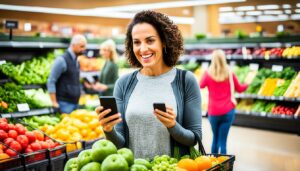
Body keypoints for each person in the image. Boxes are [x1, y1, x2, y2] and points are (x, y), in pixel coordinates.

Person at [95, 10, 202, 159]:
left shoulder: (185, 81)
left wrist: (173, 125)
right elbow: (120, 144)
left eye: (150, 40)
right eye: (137, 42)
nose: (143, 49)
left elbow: (194, 138)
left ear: (164, 41)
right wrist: (108, 130)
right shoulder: (124, 84)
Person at [199, 49, 248, 154]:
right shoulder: (230, 73)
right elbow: (240, 88)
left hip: (213, 112)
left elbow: (200, 85)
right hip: (228, 111)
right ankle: (225, 166)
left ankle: (214, 165)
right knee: (223, 142)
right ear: (224, 59)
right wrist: (247, 84)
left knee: (215, 139)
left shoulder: (208, 74)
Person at [47, 34, 87, 114]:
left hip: (75, 103)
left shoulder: (76, 61)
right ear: (73, 45)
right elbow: (51, 80)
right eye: (81, 46)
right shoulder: (62, 60)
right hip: (64, 104)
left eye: (84, 47)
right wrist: (54, 103)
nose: (83, 49)